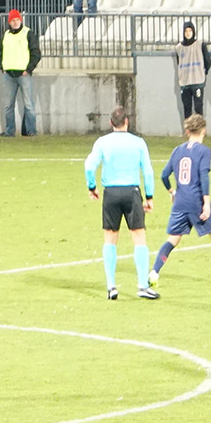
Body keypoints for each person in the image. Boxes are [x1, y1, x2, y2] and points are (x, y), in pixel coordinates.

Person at [85, 105, 157, 300]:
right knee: (139, 237)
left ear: (111, 123)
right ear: (127, 122)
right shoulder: (139, 143)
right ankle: (142, 285)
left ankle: (111, 286)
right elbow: (148, 172)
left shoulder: (102, 142)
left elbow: (89, 166)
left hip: (111, 194)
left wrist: (91, 187)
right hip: (132, 192)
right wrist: (149, 196)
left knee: (110, 238)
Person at [152, 112, 211, 286]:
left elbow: (164, 175)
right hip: (196, 201)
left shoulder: (177, 150)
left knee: (173, 238)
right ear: (203, 130)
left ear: (188, 131)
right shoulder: (204, 151)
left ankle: (154, 272)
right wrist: (207, 204)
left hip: (180, 201)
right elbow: (204, 176)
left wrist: (172, 192)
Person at [0, 8, 37, 136]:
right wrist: (2, 67)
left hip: (23, 74)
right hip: (9, 74)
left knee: (28, 104)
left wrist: (29, 69)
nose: (15, 22)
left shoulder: (28, 33)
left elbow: (36, 53)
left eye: (17, 20)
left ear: (20, 20)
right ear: (9, 22)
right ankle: (10, 131)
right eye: (13, 20)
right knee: (8, 106)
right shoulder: (6, 35)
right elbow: (1, 52)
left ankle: (31, 131)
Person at [172, 19, 211, 123]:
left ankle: (199, 130)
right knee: (187, 107)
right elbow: (179, 63)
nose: (188, 33)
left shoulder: (200, 45)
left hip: (197, 81)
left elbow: (208, 61)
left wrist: (204, 72)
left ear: (193, 31)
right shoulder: (179, 48)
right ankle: (188, 131)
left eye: (190, 31)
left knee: (198, 107)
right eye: (186, 31)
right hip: (185, 82)